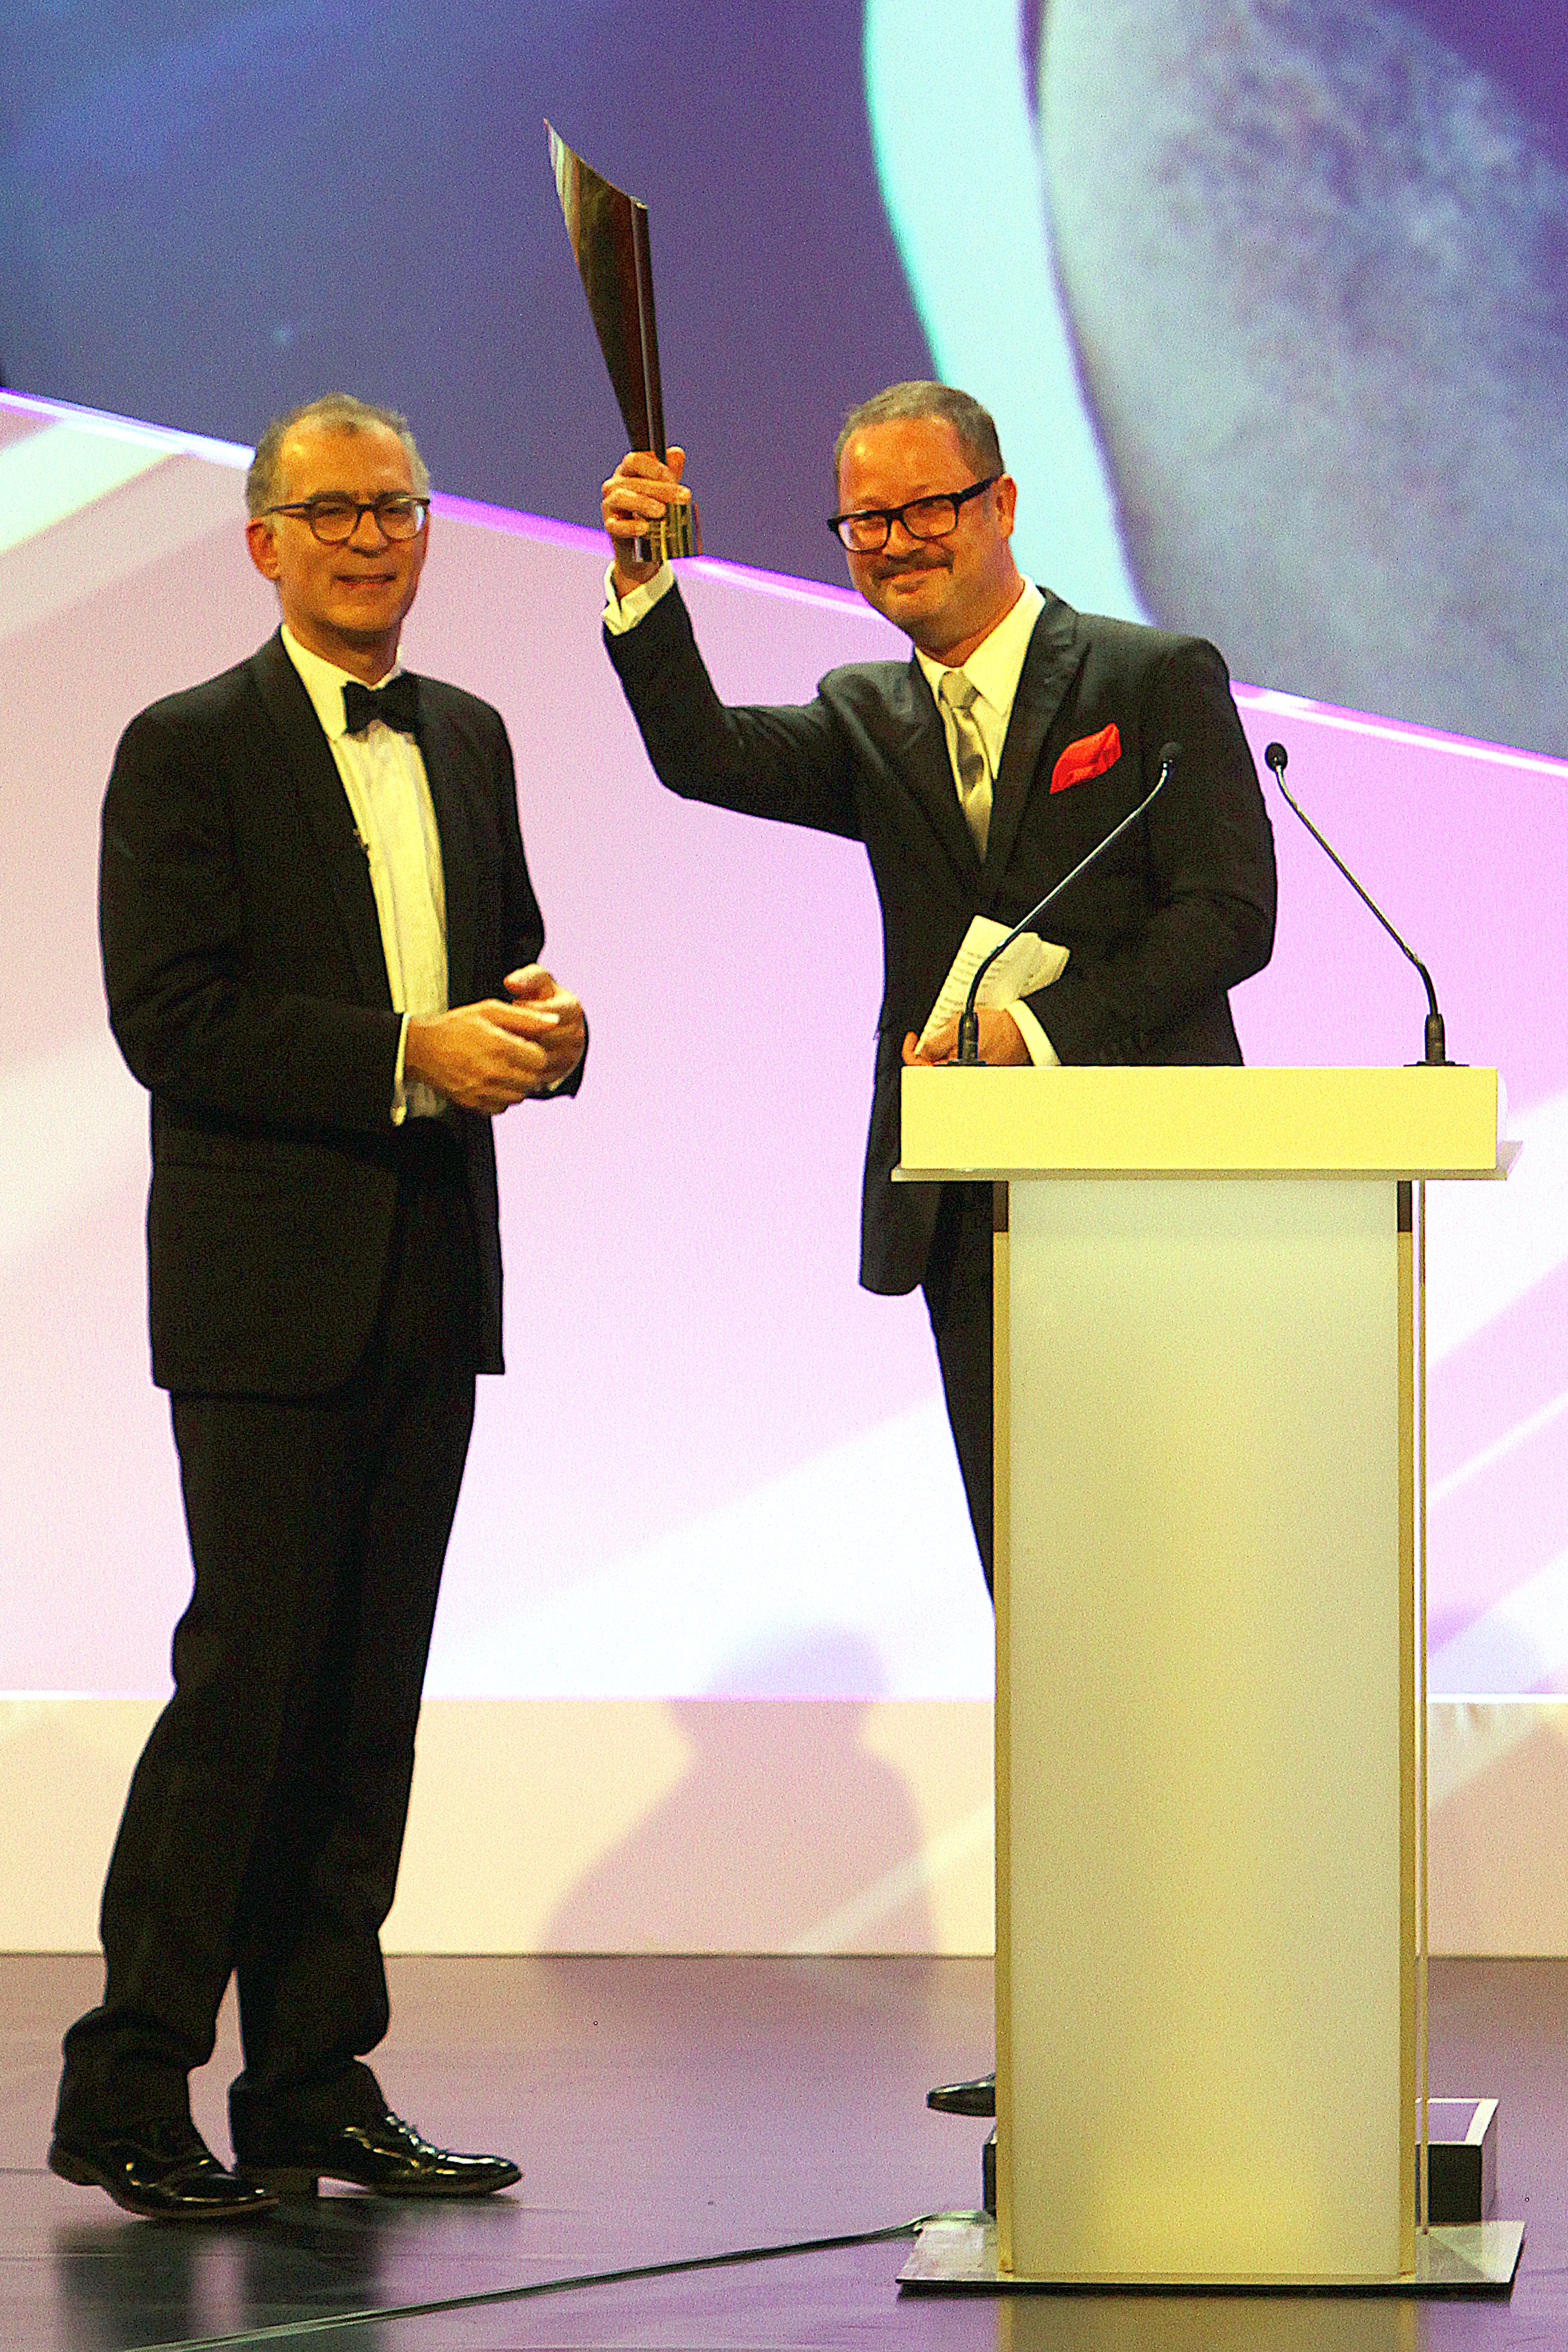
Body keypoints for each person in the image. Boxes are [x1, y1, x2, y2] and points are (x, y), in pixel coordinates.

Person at [602, 381, 1275, 2111]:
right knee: (1044, 1617)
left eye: (924, 509)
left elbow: (1230, 915)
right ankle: (1079, 2024)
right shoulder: (867, 715)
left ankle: (1223, 2004)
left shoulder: (1147, 680)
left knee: (1176, 1612)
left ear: (1001, 504)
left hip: (1154, 1207)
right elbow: (701, 755)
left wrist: (1037, 1039)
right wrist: (647, 589)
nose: (894, 544)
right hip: (976, 1228)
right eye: (865, 521)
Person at [50, 392, 587, 2221]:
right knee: (249, 1691)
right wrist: (402, 1052)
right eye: (336, 511)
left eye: (399, 507)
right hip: (264, 1288)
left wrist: (547, 1032)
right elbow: (170, 1016)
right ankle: (128, 2086)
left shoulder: (471, 732)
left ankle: (308, 2085)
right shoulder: (186, 744)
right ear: (263, 542)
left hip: (432, 1271)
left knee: (367, 1704)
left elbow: (498, 966)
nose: (372, 539)